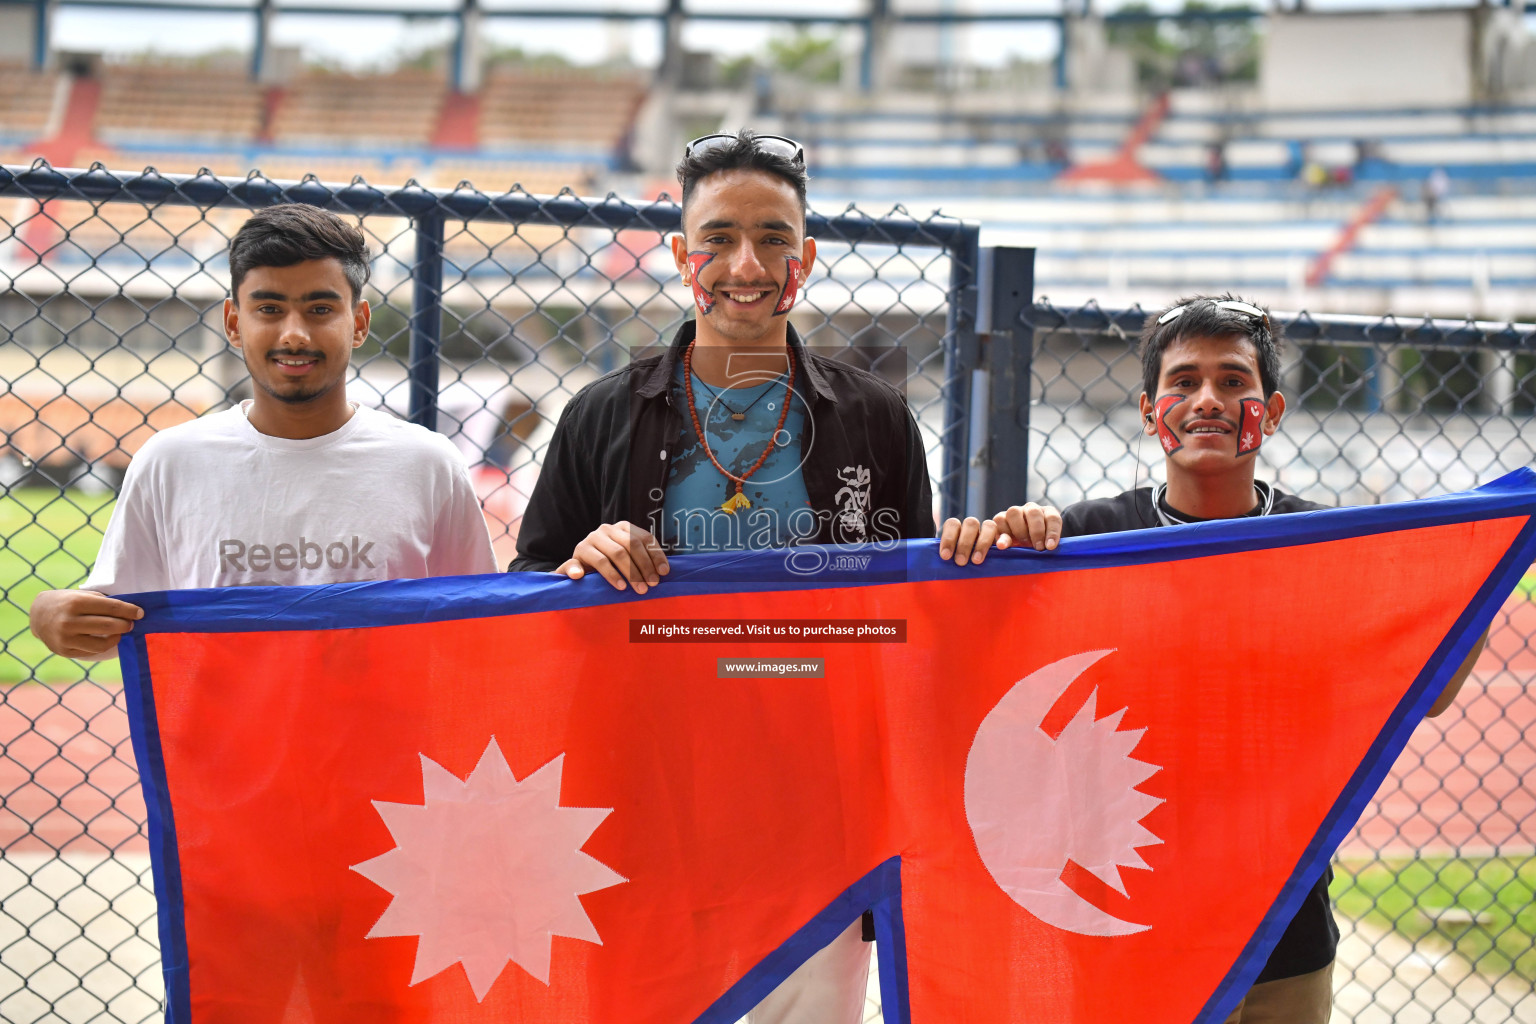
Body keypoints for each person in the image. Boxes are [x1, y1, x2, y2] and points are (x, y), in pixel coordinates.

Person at [509, 128, 945, 1024]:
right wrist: (577, 567)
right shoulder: (599, 416)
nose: (745, 263)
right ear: (680, 256)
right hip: (645, 811)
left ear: (807, 258)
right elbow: (528, 588)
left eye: (774, 237)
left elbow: (917, 616)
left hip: (818, 820)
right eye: (718, 238)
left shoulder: (877, 420)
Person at [955, 293, 1482, 1024]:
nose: (1208, 400)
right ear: (1148, 411)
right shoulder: (1081, 542)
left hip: (1285, 927)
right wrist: (992, 549)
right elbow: (965, 665)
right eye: (1185, 381)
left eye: (1234, 382)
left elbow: (1432, 691)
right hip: (1125, 920)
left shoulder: (1330, 547)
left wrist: (1477, 580)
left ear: (1272, 409)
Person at [28, 203, 497, 661]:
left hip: (384, 739)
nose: (295, 335)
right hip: (218, 740)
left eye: (319, 309)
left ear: (359, 323)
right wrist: (53, 616)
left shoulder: (428, 463)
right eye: (269, 308)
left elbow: (483, 627)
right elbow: (112, 623)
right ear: (234, 323)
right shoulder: (170, 460)